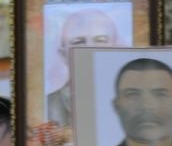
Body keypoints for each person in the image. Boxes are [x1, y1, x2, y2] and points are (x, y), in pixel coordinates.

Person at [42, 7, 119, 135]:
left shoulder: (131, 102)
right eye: (79, 42)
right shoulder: (47, 106)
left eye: (100, 41)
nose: (90, 48)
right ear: (63, 54)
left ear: (116, 49)